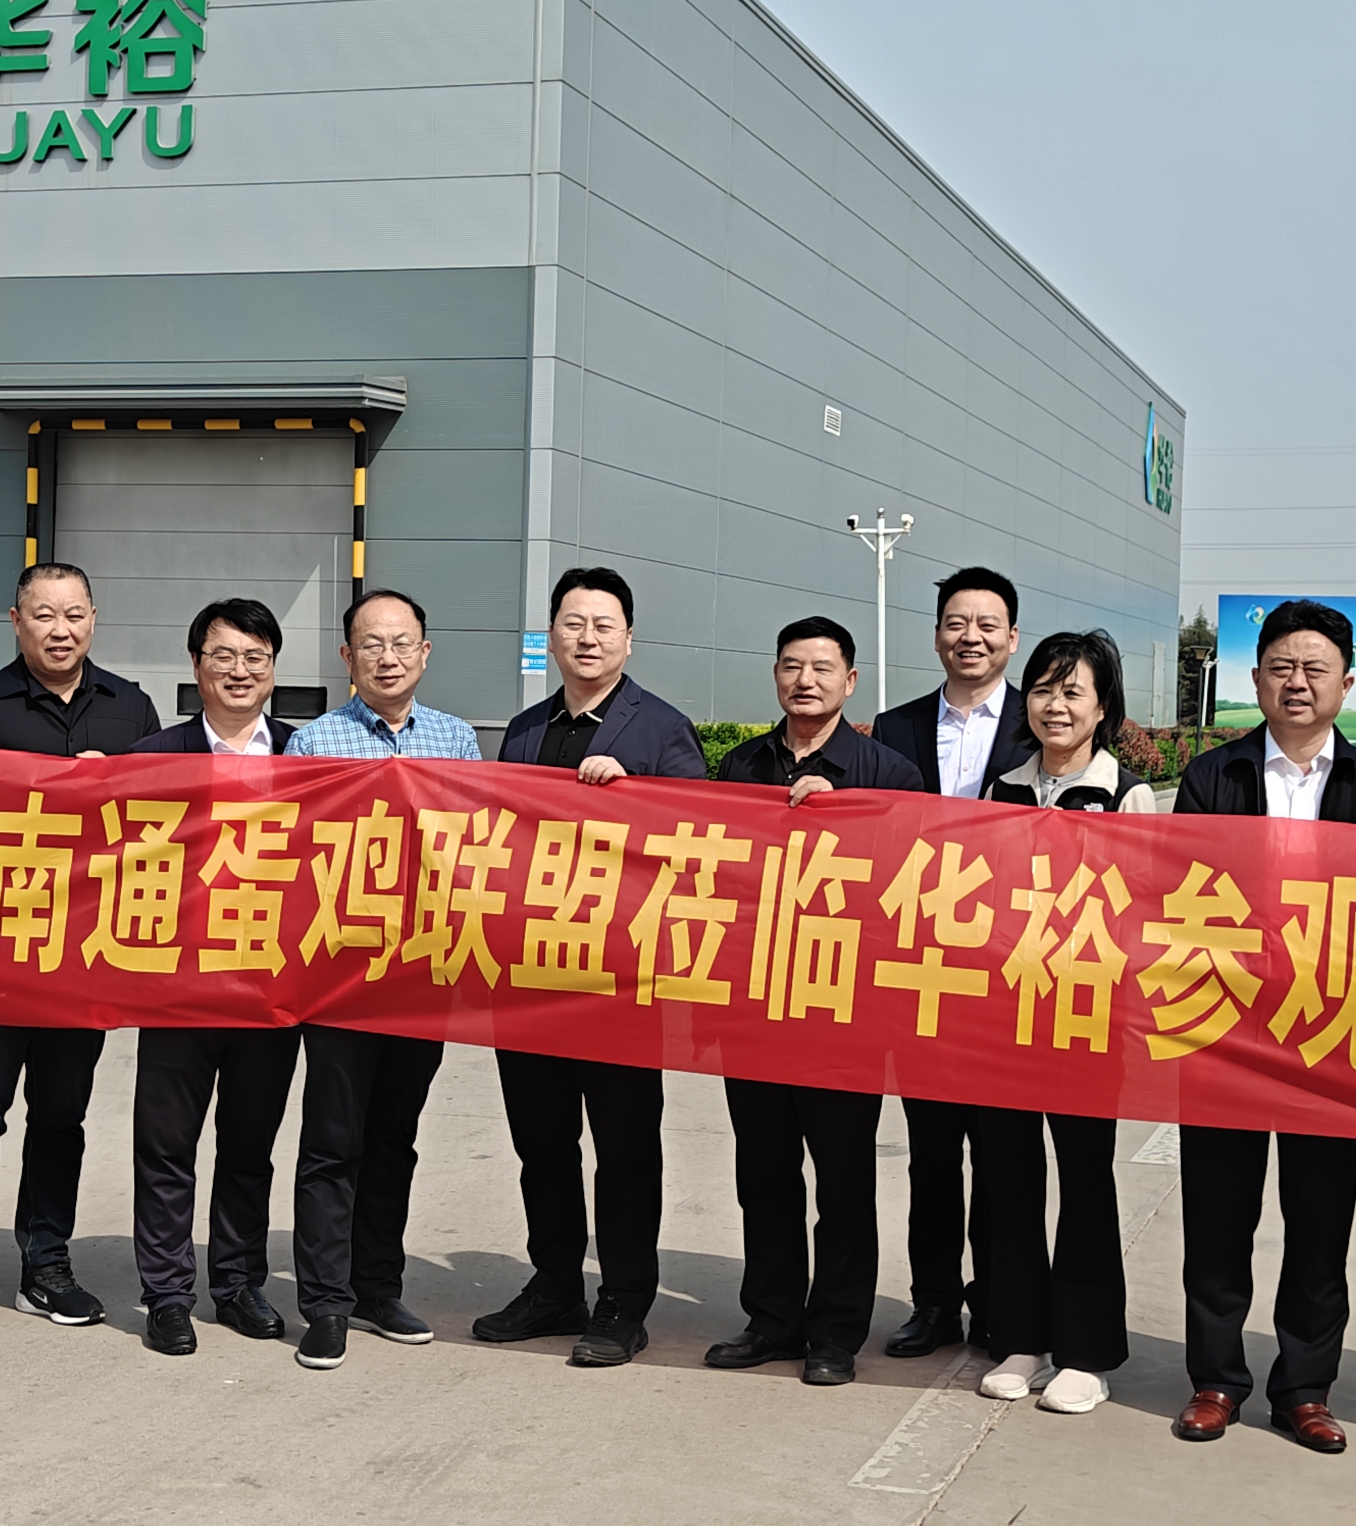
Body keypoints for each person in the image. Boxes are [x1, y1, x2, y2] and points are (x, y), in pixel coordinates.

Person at [1167, 598, 1356, 1454]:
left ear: (1347, 684)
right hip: (1225, 1026)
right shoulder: (1213, 777)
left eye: (1315, 669)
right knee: (1217, 1215)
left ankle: (1306, 1388)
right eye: (1281, 667)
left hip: (1331, 1033)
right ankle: (1215, 1380)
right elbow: (1183, 893)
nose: (1297, 683)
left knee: (1319, 1220)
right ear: (1256, 679)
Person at [477, 568, 711, 1369]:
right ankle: (554, 1287)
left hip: (621, 981)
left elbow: (699, 841)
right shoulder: (524, 729)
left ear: (628, 639)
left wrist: (634, 797)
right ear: (552, 635)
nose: (587, 638)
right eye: (572, 623)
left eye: (603, 625)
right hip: (531, 976)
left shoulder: (663, 730)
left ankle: (623, 1301)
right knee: (541, 1143)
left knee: (624, 1148)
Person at [0, 561, 159, 1336]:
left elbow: (159, 830)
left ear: (94, 618)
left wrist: (112, 789)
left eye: (74, 614)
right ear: (16, 621)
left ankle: (47, 1264)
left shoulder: (132, 709)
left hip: (81, 958)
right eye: (45, 615)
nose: (61, 630)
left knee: (61, 1119)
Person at [706, 615, 922, 1387]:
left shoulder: (888, 775)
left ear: (850, 681)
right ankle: (771, 1320)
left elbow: (909, 889)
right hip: (754, 1004)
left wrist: (845, 818)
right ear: (775, 674)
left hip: (844, 1010)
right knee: (763, 1174)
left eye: (823, 668)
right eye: (792, 665)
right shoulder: (739, 767)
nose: (806, 680)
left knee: (843, 1178)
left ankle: (834, 1331)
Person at [283, 588, 483, 1363]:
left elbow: (480, 848)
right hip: (339, 975)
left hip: (422, 975)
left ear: (425, 653)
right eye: (372, 644)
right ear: (347, 656)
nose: (388, 657)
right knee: (332, 1141)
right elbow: (293, 855)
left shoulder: (456, 738)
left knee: (394, 1139)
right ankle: (325, 1302)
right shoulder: (314, 743)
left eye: (402, 643)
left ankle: (377, 1287)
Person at [972, 628, 1161, 1416]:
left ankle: (1086, 1351)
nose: (1056, 705)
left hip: (1087, 1018)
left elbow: (1145, 909)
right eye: (1044, 689)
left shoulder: (1127, 796)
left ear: (1103, 707)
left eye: (1073, 691)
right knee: (1008, 1177)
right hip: (1004, 1017)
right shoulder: (1001, 788)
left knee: (1085, 1179)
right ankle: (1021, 1335)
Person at [120, 599, 308, 1359]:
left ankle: (236, 1284)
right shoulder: (152, 756)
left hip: (270, 986)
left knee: (248, 1146)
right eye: (224, 656)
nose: (240, 671)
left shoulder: (307, 756)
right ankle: (167, 1294)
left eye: (255, 657)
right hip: (177, 988)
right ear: (196, 664)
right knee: (165, 1146)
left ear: (274, 669)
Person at [870, 567, 1035, 1359]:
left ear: (1012, 638)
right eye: (956, 623)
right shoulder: (895, 727)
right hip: (923, 967)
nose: (971, 637)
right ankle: (932, 1302)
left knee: (1002, 1152)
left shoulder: (1040, 725)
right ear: (937, 633)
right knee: (932, 1152)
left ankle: (999, 1303)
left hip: (1012, 971)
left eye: (987, 625)